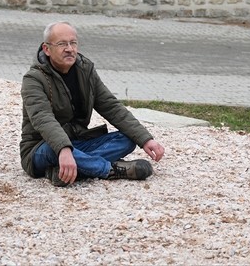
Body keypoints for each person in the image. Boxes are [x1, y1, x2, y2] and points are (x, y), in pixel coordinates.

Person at [20, 20, 165, 187]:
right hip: (40, 148)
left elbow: (110, 106)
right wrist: (63, 149)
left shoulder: (85, 70)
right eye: (62, 44)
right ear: (47, 49)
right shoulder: (33, 79)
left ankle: (68, 169)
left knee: (127, 139)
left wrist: (145, 139)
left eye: (73, 43)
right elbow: (43, 119)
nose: (69, 49)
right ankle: (109, 169)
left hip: (79, 142)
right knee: (52, 148)